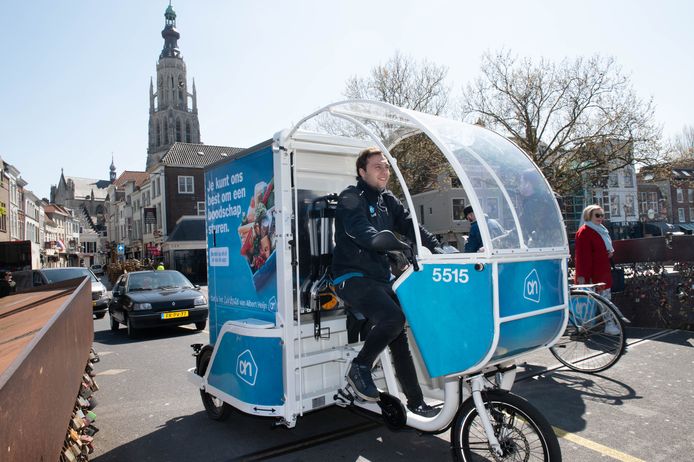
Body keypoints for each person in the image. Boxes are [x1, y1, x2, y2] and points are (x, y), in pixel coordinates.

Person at [332, 147, 441, 418]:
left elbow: (410, 224)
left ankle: (416, 402)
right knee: (393, 318)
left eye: (386, 166)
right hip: (350, 276)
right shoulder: (350, 198)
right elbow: (364, 232)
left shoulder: (387, 199)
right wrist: (396, 245)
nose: (384, 171)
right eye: (377, 166)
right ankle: (360, 368)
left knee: (398, 332)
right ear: (362, 171)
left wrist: (437, 249)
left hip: (379, 278)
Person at [574, 204, 620, 335]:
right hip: (593, 273)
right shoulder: (584, 232)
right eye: (597, 215)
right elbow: (582, 256)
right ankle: (605, 325)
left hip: (602, 270)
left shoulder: (600, 230)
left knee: (604, 299)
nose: (600, 218)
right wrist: (582, 276)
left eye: (602, 215)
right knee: (601, 301)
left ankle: (604, 325)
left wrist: (608, 253)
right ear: (589, 216)